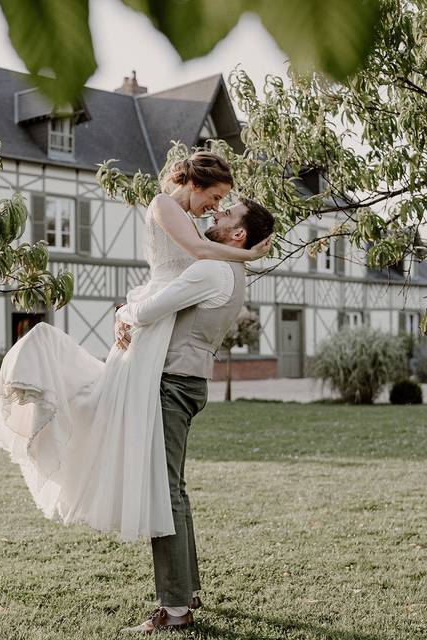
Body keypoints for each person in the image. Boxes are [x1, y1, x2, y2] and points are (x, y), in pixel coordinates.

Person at [0, 151, 269, 542]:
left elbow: (190, 274)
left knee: (127, 428)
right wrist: (247, 254)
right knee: (101, 406)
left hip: (158, 324)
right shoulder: (164, 205)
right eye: (216, 196)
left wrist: (129, 314)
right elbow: (198, 255)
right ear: (194, 183)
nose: (215, 207)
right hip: (152, 319)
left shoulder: (191, 222)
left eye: (222, 203)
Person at [118, 198, 275, 634]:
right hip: (190, 382)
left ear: (238, 234)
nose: (215, 215)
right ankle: (187, 592)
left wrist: (122, 312)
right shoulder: (233, 270)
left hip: (171, 384)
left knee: (164, 494)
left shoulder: (211, 269)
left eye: (226, 215)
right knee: (176, 491)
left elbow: (150, 310)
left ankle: (173, 608)